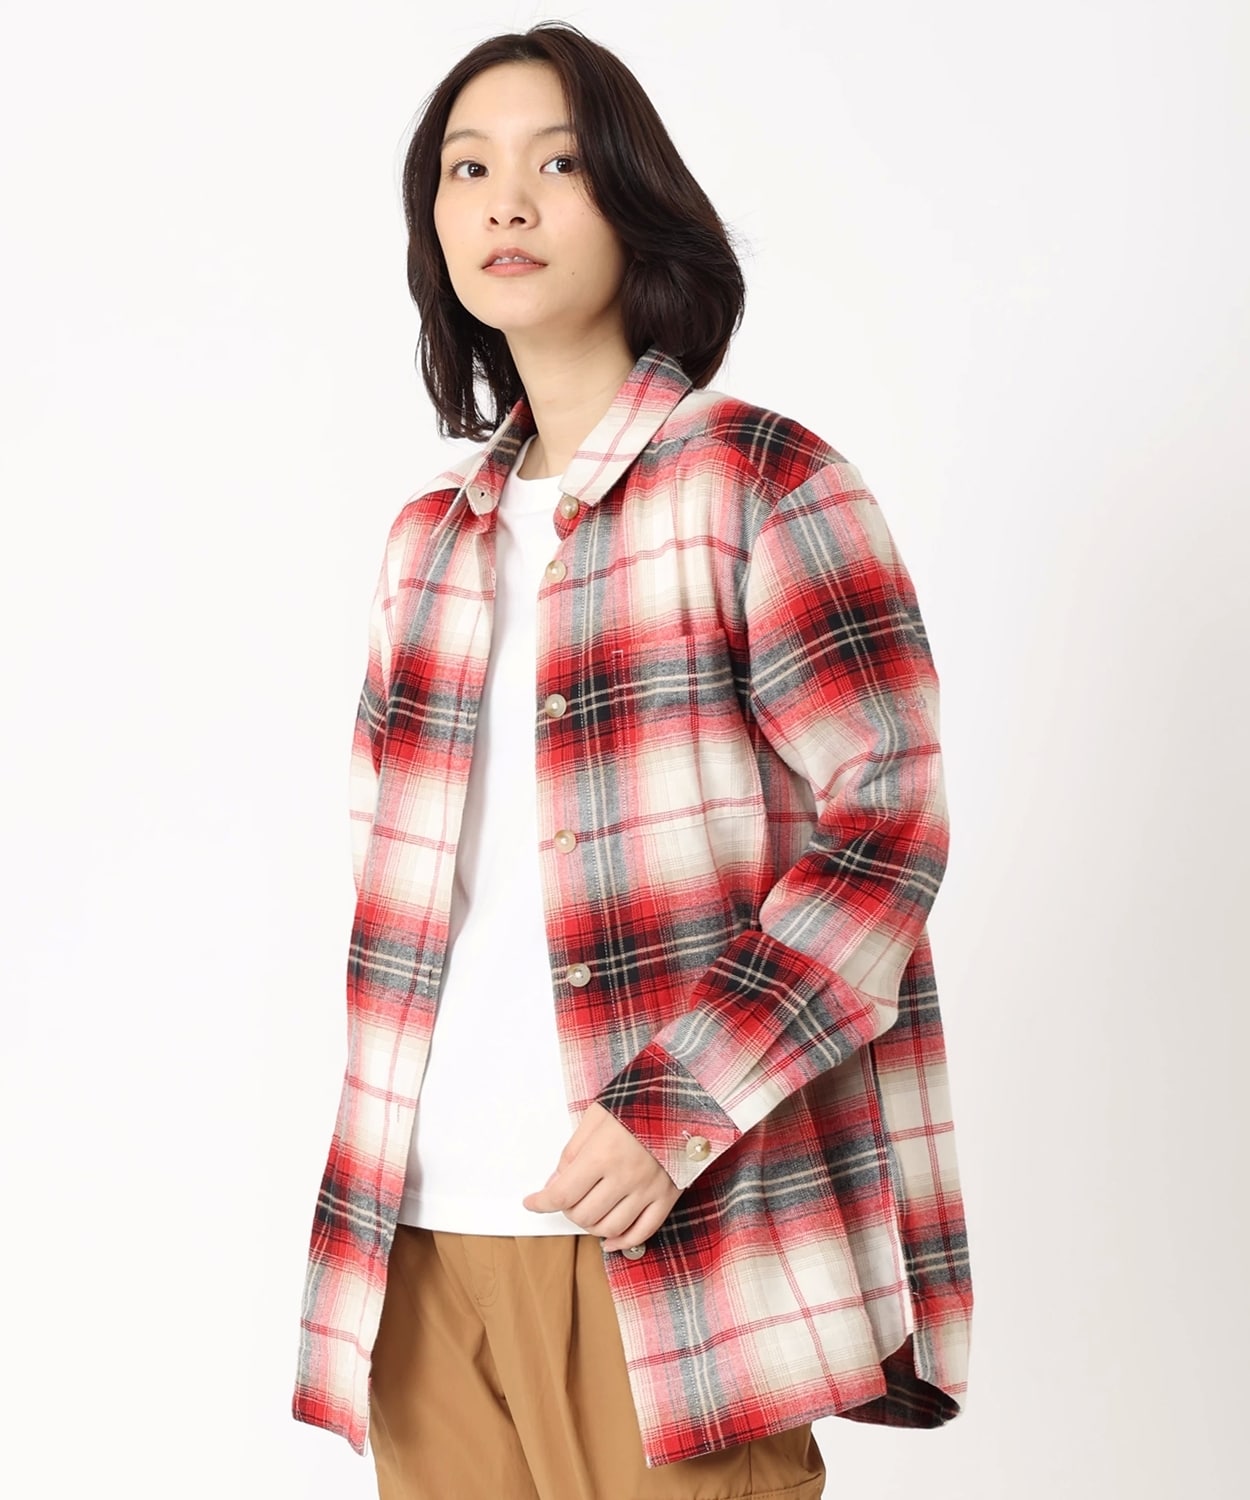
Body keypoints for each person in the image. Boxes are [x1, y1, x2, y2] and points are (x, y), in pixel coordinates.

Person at [292, 21, 974, 1500]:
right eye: (466, 170)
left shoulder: (760, 482)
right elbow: (401, 901)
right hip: (422, 1241)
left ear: (632, 198)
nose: (505, 202)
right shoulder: (426, 546)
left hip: (671, 1245)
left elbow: (887, 832)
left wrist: (674, 1109)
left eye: (555, 165)